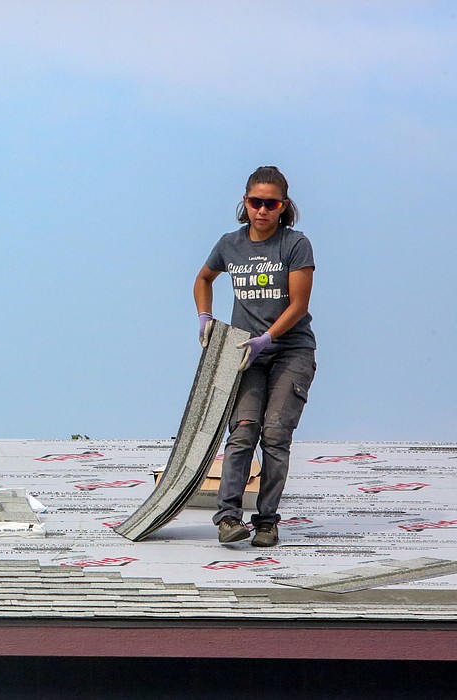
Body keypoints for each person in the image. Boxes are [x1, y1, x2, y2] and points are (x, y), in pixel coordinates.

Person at [194, 165, 316, 547]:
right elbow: (203, 278)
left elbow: (298, 305)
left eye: (271, 203)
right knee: (242, 431)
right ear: (244, 202)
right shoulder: (230, 244)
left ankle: (266, 521)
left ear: (283, 206)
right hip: (245, 353)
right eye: (255, 202)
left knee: (276, 436)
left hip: (289, 350)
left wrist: (267, 337)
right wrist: (204, 315)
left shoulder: (294, 245)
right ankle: (228, 517)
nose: (262, 210)